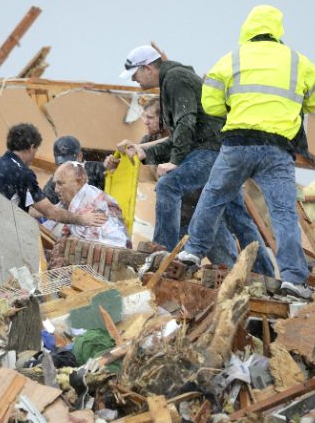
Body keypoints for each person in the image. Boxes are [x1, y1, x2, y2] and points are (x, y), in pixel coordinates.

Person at [177, 5, 315, 300]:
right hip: (277, 148)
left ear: (247, 27)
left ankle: (192, 252)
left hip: (238, 144)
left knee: (213, 196)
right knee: (283, 213)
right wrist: (290, 108)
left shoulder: (232, 58)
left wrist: (235, 107)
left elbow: (211, 104)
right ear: (277, 29)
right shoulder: (299, 62)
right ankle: (294, 280)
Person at [115, 44, 275, 276]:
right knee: (238, 218)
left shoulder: (175, 78)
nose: (134, 81)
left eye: (135, 74)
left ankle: (163, 253)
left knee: (169, 186)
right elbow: (182, 134)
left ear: (148, 68)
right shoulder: (175, 79)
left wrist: (176, 161)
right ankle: (266, 275)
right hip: (222, 152)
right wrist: (143, 152)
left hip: (213, 151)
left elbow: (185, 123)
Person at [0, 123, 107, 228]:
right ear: (32, 147)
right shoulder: (22, 173)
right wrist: (82, 219)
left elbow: (28, 208)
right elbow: (51, 212)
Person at [52, 162, 129, 248]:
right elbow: (49, 213)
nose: (56, 190)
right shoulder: (70, 201)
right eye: (55, 184)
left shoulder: (97, 205)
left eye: (60, 184)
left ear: (78, 182)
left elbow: (117, 245)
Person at [43, 136, 105, 204]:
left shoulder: (96, 169)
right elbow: (42, 206)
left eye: (69, 163)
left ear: (80, 157)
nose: (65, 167)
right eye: (61, 164)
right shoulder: (55, 182)